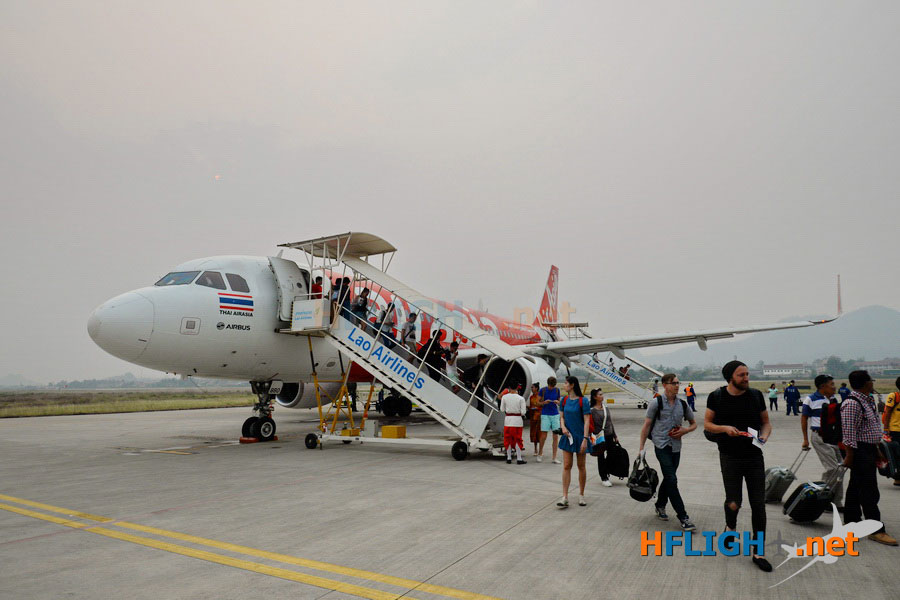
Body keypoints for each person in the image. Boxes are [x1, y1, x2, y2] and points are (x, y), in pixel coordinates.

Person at [704, 360, 772, 572]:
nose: (746, 378)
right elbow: (707, 424)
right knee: (734, 502)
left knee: (758, 505)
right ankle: (730, 527)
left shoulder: (756, 396)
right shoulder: (717, 396)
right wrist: (724, 428)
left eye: (747, 374)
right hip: (729, 456)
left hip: (754, 456)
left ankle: (758, 552)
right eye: (741, 375)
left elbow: (766, 422)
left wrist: (764, 436)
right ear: (730, 378)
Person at [841, 370, 897, 545]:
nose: (873, 383)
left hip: (869, 448)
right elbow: (849, 433)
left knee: (855, 486)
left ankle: (851, 521)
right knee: (869, 490)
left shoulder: (867, 400)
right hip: (859, 451)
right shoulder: (852, 403)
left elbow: (870, 427)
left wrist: (876, 448)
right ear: (866, 383)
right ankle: (875, 529)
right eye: (871, 381)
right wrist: (850, 456)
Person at [639, 373, 697, 531]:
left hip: (676, 447)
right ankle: (683, 516)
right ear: (665, 385)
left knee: (669, 478)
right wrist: (641, 448)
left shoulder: (682, 404)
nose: (677, 386)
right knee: (672, 479)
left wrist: (685, 430)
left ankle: (660, 504)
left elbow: (693, 424)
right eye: (673, 383)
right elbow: (646, 425)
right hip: (661, 445)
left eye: (678, 383)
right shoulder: (656, 403)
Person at [800, 374, 844, 511]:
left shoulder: (833, 399)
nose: (834, 387)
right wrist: (805, 439)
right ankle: (822, 498)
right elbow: (804, 418)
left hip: (833, 437)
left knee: (841, 469)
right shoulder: (811, 399)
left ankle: (836, 502)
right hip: (819, 436)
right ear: (822, 386)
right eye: (831, 384)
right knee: (832, 468)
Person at [557, 376, 592, 508]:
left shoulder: (583, 401)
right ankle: (564, 496)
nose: (564, 385)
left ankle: (581, 494)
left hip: (580, 436)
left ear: (572, 385)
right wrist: (563, 427)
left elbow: (587, 420)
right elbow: (561, 417)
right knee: (567, 465)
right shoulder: (564, 400)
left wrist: (585, 439)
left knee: (581, 466)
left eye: (566, 383)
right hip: (568, 436)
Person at [589, 388, 617, 487]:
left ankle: (607, 470)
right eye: (600, 394)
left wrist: (615, 435)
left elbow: (610, 422)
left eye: (602, 394)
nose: (602, 396)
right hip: (599, 436)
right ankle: (604, 477)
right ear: (594, 397)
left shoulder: (606, 408)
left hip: (609, 435)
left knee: (612, 454)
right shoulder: (592, 410)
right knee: (600, 457)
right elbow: (590, 424)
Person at [499, 388, 528, 465]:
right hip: (517, 421)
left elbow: (502, 409)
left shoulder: (504, 397)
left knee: (508, 439)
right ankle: (519, 458)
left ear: (509, 388)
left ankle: (509, 458)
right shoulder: (521, 398)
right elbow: (523, 412)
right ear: (516, 388)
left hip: (508, 420)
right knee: (518, 439)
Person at [537, 377, 562, 464]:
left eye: (553, 386)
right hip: (545, 414)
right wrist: (544, 402)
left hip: (555, 414)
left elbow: (560, 402)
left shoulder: (557, 390)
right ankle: (540, 453)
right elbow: (537, 402)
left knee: (555, 436)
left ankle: (554, 457)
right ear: (548, 384)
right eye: (551, 386)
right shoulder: (543, 390)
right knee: (543, 435)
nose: (552, 388)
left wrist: (557, 402)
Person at [882, 376, 900, 487]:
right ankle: (897, 477)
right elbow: (887, 412)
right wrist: (886, 429)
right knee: (897, 454)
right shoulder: (894, 396)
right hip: (895, 430)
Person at [527, 383, 542, 456]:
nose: (531, 389)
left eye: (532, 387)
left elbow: (542, 405)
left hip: (539, 416)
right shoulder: (531, 397)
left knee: (540, 433)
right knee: (534, 433)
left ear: (536, 388)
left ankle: (541, 449)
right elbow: (531, 406)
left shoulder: (540, 397)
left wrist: (537, 408)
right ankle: (535, 449)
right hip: (533, 417)